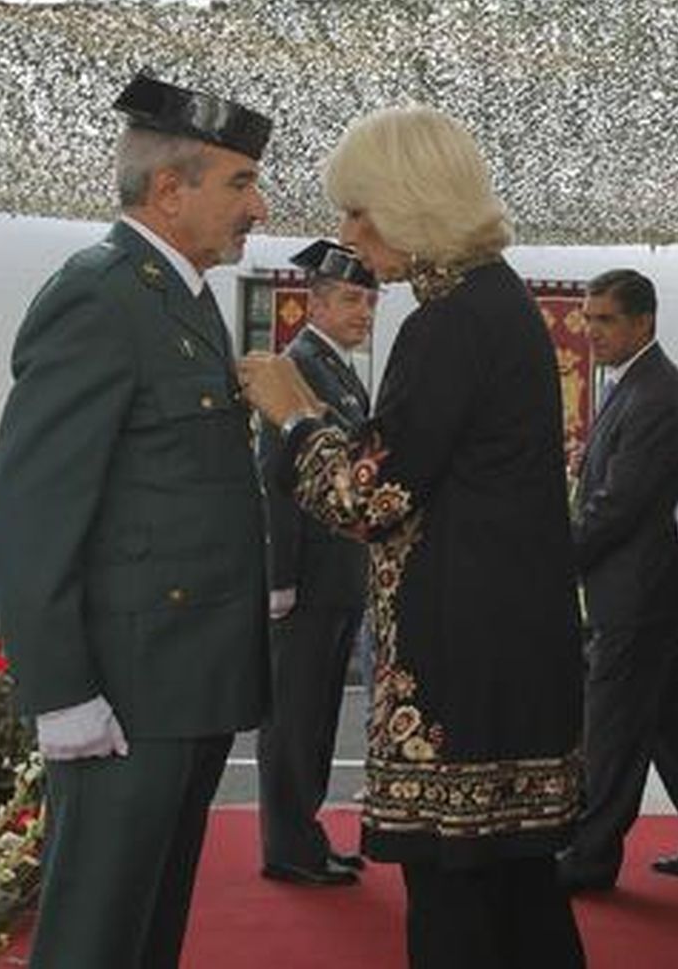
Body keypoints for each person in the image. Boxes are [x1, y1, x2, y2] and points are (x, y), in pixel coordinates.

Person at [240, 105, 585, 968]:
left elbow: (371, 497)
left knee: (461, 903)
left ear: (414, 202)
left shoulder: (451, 320)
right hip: (503, 653)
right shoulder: (490, 302)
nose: (349, 232)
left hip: (461, 668)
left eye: (361, 211)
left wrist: (290, 420)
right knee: (518, 899)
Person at [0, 72, 272, 966]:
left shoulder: (178, 297)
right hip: (124, 691)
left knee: (147, 931)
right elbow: (32, 512)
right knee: (94, 935)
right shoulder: (99, 296)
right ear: (169, 189)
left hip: (181, 676)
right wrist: (62, 691)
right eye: (239, 184)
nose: (259, 205)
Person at [556, 268, 678, 892]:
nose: (592, 331)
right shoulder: (633, 384)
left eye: (606, 319)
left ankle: (591, 856)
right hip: (640, 590)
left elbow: (619, 506)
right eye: (588, 318)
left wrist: (554, 561)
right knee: (670, 719)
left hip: (636, 595)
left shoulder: (658, 393)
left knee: (610, 728)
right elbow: (616, 482)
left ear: (645, 322)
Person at [256, 239, 378, 887]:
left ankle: (304, 832)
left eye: (370, 300)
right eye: (354, 300)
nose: (366, 313)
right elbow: (275, 479)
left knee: (322, 712)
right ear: (317, 304)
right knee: (295, 715)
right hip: (305, 582)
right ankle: (288, 846)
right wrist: (281, 583)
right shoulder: (296, 366)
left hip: (339, 576)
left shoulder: (338, 369)